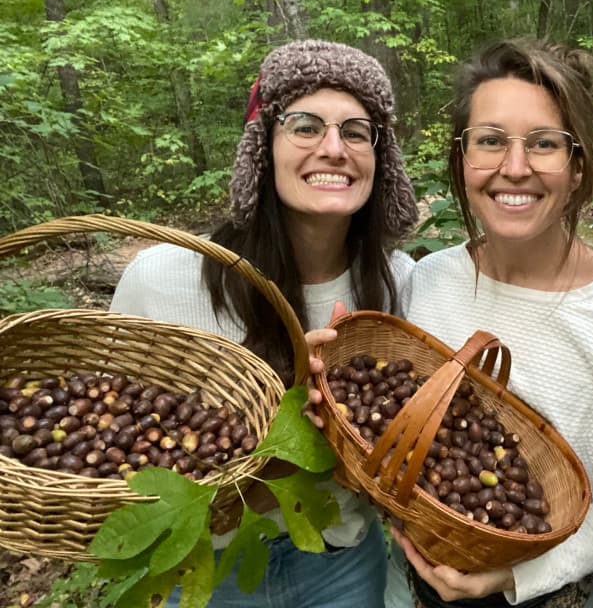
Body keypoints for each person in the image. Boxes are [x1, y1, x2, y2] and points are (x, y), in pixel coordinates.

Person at [308, 38, 593, 608]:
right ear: (461, 158)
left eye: (544, 144)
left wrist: (519, 576)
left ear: (577, 167)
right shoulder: (424, 281)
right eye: (489, 141)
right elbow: (396, 441)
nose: (515, 167)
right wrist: (331, 410)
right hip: (411, 588)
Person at [111, 39, 420, 607]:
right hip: (209, 567)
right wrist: (275, 417)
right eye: (305, 126)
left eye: (356, 131)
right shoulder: (165, 279)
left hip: (343, 560)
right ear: (263, 147)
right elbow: (115, 440)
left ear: (381, 156)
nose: (334, 149)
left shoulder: (400, 281)